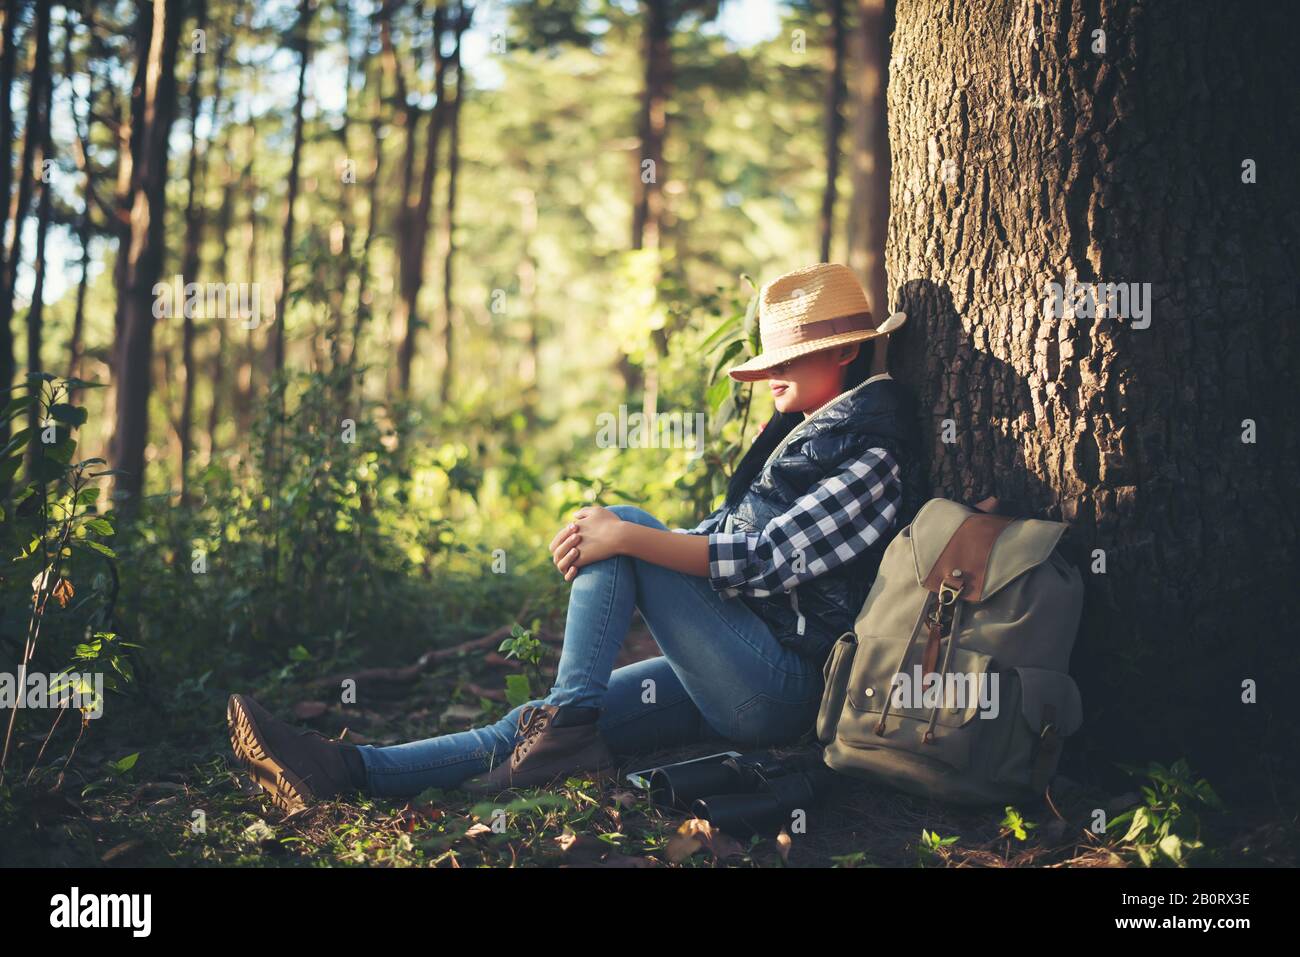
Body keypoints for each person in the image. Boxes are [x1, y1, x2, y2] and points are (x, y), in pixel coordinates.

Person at [226, 262, 922, 814]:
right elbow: (727, 537)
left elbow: (768, 559)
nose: (769, 373)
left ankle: (568, 729)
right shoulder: (814, 437)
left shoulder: (869, 456)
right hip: (736, 662)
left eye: (788, 358)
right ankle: (345, 768)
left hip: (779, 688)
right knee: (536, 719)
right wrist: (628, 536)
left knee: (623, 528)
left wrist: (629, 534)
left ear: (849, 351)